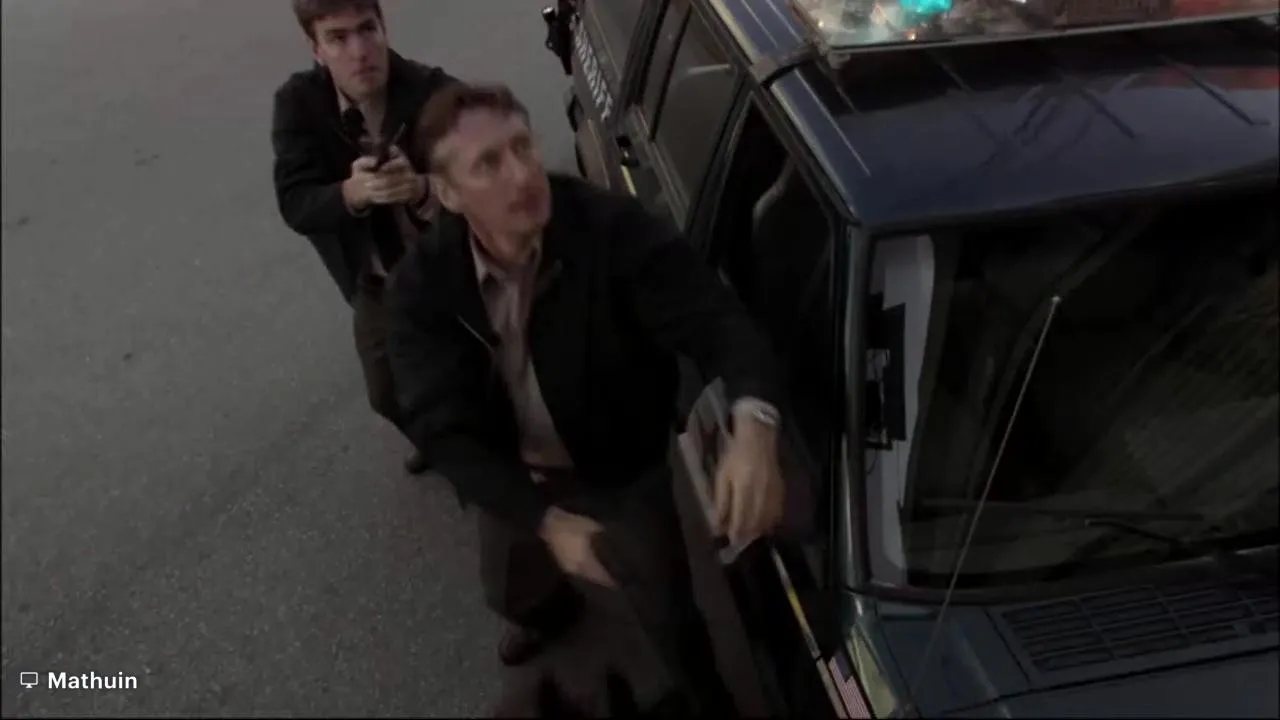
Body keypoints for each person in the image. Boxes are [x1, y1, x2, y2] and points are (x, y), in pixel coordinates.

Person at [386, 82, 787, 717]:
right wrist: (543, 519)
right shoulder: (422, 287)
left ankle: (710, 702)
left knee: (664, 606)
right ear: (448, 194)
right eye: (487, 164)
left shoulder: (607, 229)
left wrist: (755, 426)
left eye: (522, 146)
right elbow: (440, 427)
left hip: (620, 467)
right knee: (509, 586)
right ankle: (547, 613)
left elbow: (717, 320)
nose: (521, 175)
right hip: (512, 468)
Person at [271, 0, 457, 475]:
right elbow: (295, 201)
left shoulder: (434, 92)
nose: (359, 51)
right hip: (377, 281)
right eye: (338, 38)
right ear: (315, 48)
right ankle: (443, 441)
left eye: (367, 30)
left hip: (450, 268)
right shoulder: (299, 103)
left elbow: (486, 182)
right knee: (386, 393)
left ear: (383, 26)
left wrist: (421, 188)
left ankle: (486, 458)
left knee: (479, 374)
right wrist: (351, 193)